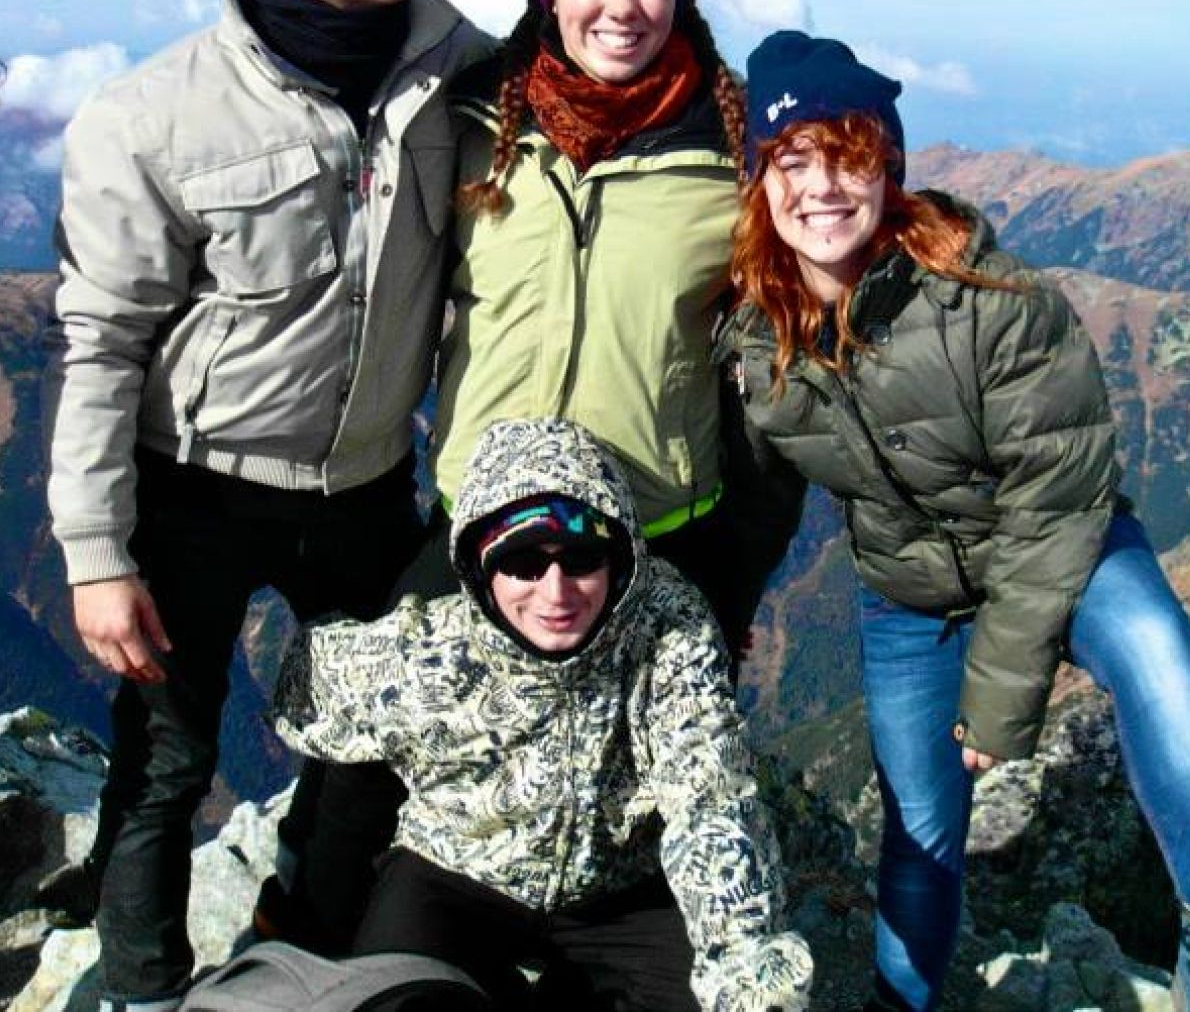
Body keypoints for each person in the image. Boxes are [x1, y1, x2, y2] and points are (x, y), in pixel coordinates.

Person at [719, 32, 1190, 1010]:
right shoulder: (757, 337)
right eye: (793, 161)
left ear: (888, 165)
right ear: (762, 182)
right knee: (920, 829)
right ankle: (901, 1003)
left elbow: (1057, 496)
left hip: (1067, 544)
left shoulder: (992, 298)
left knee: (1158, 657)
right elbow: (751, 492)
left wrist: (1001, 688)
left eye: (848, 156)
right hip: (911, 594)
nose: (821, 187)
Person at [45, 0, 491, 1010]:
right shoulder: (153, 117)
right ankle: (143, 989)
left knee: (384, 734)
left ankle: (306, 941)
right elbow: (100, 343)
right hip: (195, 488)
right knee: (167, 760)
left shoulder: (454, 69)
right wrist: (95, 553)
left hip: (369, 482)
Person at [274, 416, 813, 1011]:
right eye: (525, 562)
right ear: (481, 565)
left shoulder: (666, 631)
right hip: (455, 875)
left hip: (619, 891)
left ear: (619, 558)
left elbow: (710, 796)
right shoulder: (431, 648)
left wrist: (742, 959)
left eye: (581, 559)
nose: (555, 593)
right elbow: (323, 681)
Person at [422, 0, 799, 657]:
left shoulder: (737, 152)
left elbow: (782, 373)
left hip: (661, 535)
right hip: (477, 526)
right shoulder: (465, 124)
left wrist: (737, 575)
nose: (622, 6)